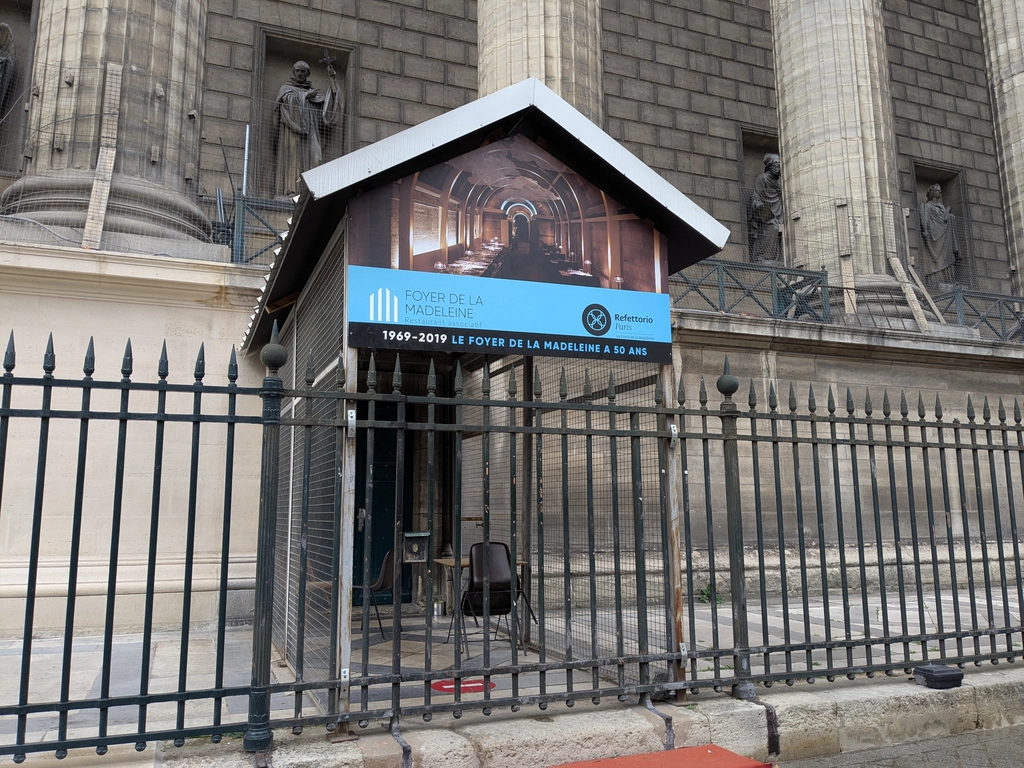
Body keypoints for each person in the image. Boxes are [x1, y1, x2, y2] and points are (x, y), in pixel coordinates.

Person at [274, 60, 342, 198]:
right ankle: (291, 192)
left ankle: (310, 193)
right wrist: (305, 97)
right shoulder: (286, 89)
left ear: (308, 74)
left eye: (303, 71)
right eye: (297, 70)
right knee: (293, 160)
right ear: (293, 72)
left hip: (310, 134)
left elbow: (327, 109)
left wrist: (332, 82)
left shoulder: (313, 94)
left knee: (314, 159)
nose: (300, 73)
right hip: (291, 133)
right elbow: (287, 103)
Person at [918, 184, 960, 287]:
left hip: (945, 235)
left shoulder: (941, 206)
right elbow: (925, 219)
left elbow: (946, 218)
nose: (939, 193)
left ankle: (948, 279)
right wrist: (925, 230)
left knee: (947, 257)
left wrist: (949, 214)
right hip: (934, 234)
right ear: (932, 193)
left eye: (940, 191)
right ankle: (935, 280)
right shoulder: (927, 206)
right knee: (935, 257)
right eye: (937, 191)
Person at [748, 153, 783, 263]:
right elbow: (756, 195)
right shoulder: (762, 178)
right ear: (770, 165)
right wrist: (758, 204)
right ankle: (761, 256)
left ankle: (773, 257)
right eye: (777, 164)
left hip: (778, 210)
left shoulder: (778, 182)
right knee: (772, 228)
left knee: (778, 230)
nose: (779, 167)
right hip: (766, 212)